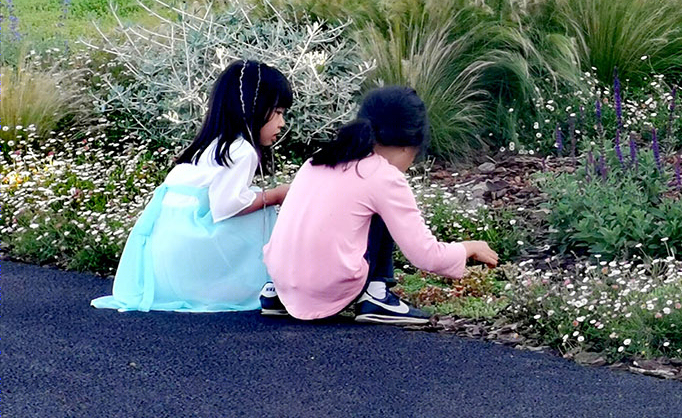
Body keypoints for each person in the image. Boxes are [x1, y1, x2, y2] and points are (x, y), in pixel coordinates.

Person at [262, 85, 499, 327]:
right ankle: (376, 292)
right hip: (328, 285)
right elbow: (426, 255)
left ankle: (275, 294)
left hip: (282, 282)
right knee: (383, 210)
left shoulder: (317, 160)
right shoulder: (383, 176)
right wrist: (468, 247)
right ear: (411, 144)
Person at [93, 60, 292, 313]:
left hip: (168, 263)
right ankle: (262, 284)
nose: (282, 123)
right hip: (194, 261)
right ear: (253, 109)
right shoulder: (242, 151)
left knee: (254, 196)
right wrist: (276, 195)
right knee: (262, 206)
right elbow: (227, 205)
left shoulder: (213, 146)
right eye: (278, 112)